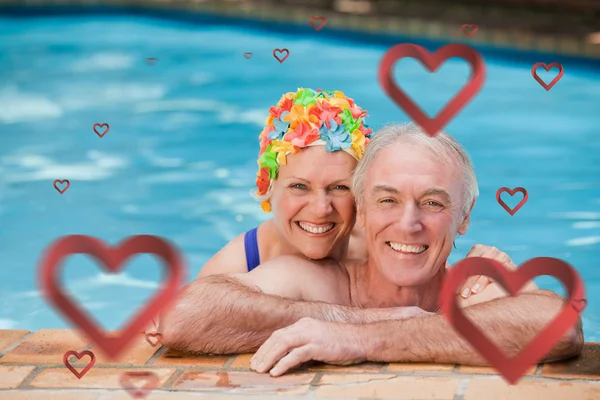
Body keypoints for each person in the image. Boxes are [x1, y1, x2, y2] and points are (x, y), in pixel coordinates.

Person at [158, 123, 583, 375]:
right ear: (360, 210)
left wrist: (359, 339)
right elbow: (184, 316)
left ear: (465, 216)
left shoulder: (471, 288)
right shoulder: (315, 280)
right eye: (387, 200)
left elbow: (561, 326)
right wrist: (353, 318)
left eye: (433, 203)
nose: (408, 223)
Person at [196, 88, 503, 297]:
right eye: (299, 186)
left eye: (339, 187)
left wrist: (484, 263)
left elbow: (432, 258)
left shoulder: (381, 243)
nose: (320, 208)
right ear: (267, 189)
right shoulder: (239, 262)